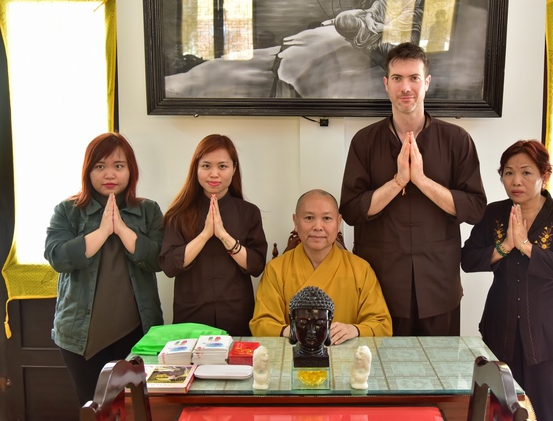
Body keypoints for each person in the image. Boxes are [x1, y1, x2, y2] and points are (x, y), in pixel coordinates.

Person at [340, 42, 486, 336]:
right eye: (397, 78)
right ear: (386, 84)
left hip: (438, 285)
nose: (406, 87)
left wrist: (421, 180)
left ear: (427, 82)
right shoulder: (364, 142)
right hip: (381, 287)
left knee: (440, 365)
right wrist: (397, 182)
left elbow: (475, 209)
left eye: (414, 78)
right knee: (382, 365)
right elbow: (352, 211)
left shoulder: (457, 140)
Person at [461, 139, 553, 421]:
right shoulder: (494, 214)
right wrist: (504, 246)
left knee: (548, 418)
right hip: (501, 331)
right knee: (500, 417)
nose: (516, 181)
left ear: (545, 175)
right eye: (508, 173)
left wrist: (527, 247)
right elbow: (467, 259)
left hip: (548, 335)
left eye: (526, 172)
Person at [44, 132, 164, 405]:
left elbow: (158, 260)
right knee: (94, 410)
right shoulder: (67, 211)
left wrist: (121, 229)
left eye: (118, 166)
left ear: (130, 170)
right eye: (100, 166)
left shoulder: (148, 211)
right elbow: (57, 257)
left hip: (137, 332)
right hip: (80, 335)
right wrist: (101, 232)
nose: (109, 174)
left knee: (134, 409)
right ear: (88, 171)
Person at [250, 189, 392, 343]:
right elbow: (261, 324)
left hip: (345, 353)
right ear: (295, 222)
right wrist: (292, 331)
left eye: (327, 218)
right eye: (309, 218)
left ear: (338, 222)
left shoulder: (361, 269)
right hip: (294, 353)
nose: (318, 226)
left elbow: (382, 324)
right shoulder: (276, 269)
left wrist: (354, 330)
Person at [160, 134, 268, 336]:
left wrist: (224, 236)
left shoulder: (249, 212)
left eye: (222, 166)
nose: (214, 174)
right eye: (206, 166)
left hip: (236, 314)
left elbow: (256, 265)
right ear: (196, 168)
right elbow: (170, 266)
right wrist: (204, 235)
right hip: (191, 317)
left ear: (234, 169)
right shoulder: (179, 214)